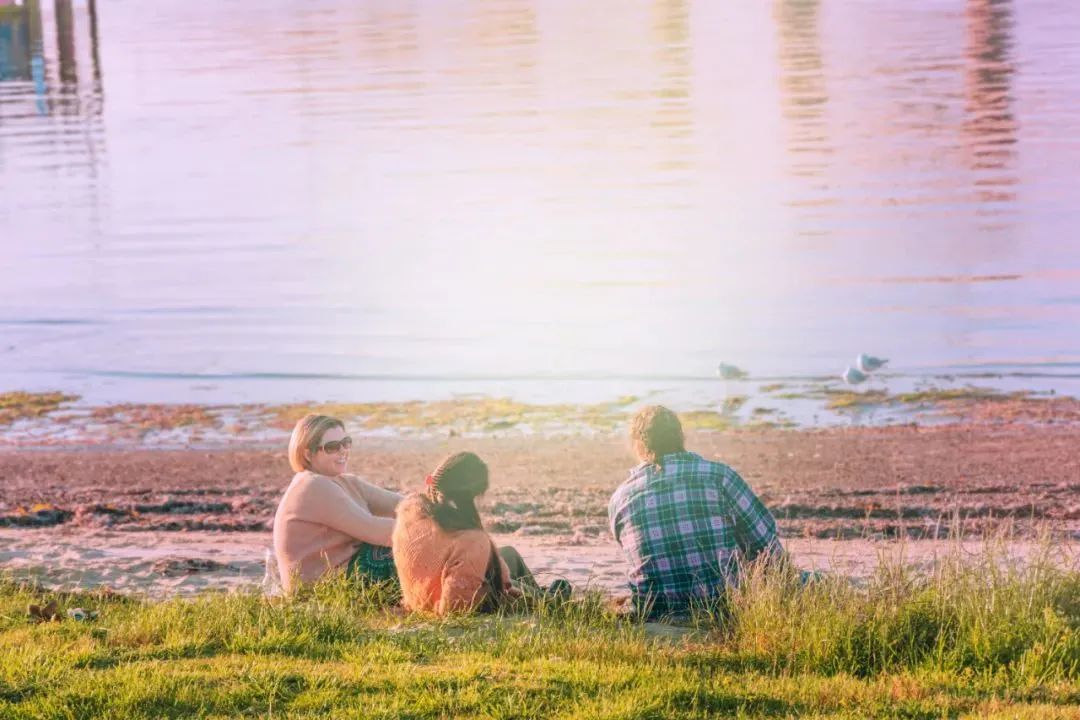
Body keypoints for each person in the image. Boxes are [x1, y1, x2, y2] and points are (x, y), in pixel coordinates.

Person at [608, 405, 784, 618]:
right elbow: (767, 548)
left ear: (638, 444)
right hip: (722, 609)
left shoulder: (620, 498)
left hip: (653, 613)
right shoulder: (720, 477)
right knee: (812, 580)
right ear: (680, 437)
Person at [392, 451, 542, 614]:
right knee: (552, 596)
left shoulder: (410, 511)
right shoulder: (471, 540)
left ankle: (545, 594)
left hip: (419, 597)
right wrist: (497, 590)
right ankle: (552, 600)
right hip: (446, 603)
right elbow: (452, 610)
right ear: (473, 496)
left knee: (510, 554)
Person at [272, 413, 403, 594]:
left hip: (347, 572)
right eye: (332, 447)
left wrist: (435, 503)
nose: (343, 451)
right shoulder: (312, 486)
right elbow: (375, 531)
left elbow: (401, 504)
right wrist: (434, 527)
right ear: (308, 454)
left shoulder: (343, 481)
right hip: (325, 589)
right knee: (409, 549)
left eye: (346, 442)